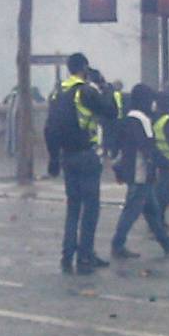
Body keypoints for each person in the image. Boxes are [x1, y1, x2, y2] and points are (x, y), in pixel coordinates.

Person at [46, 53, 115, 272]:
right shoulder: (86, 91)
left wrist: (53, 157)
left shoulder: (57, 93)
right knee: (91, 207)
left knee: (73, 207)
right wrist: (105, 86)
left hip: (66, 155)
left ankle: (67, 254)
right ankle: (85, 254)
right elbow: (111, 111)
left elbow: (49, 128)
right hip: (86, 154)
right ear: (84, 67)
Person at [111, 83, 169, 258]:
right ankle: (117, 245)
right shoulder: (142, 120)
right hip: (140, 173)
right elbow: (149, 148)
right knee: (132, 211)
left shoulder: (128, 119)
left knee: (152, 211)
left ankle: (166, 243)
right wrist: (166, 164)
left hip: (137, 172)